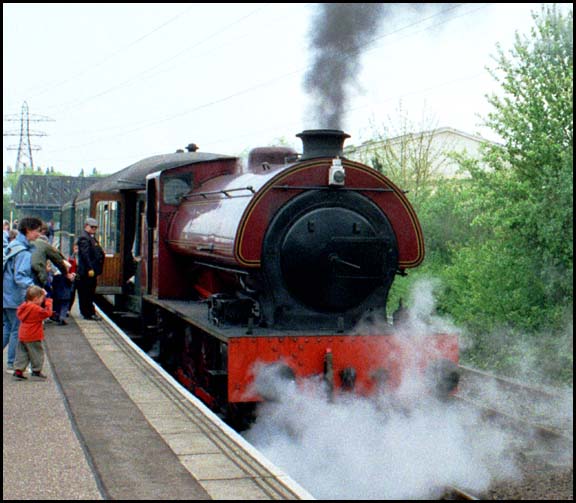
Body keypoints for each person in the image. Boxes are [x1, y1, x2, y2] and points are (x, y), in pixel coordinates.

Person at [3, 217, 43, 371]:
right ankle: (12, 363)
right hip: (15, 296)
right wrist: (35, 288)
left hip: (6, 294)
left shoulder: (13, 245)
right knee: (16, 330)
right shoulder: (23, 252)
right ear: (28, 230)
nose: (38, 235)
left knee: (7, 327)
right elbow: (20, 276)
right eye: (37, 231)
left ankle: (12, 362)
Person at [13, 285, 53, 381]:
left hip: (23, 333)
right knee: (37, 353)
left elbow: (19, 311)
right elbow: (47, 313)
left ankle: (18, 370)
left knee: (22, 353)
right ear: (36, 299)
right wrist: (48, 302)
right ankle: (36, 370)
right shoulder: (36, 309)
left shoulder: (23, 306)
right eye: (41, 299)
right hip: (33, 335)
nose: (42, 301)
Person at [76, 217, 105, 321]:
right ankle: (88, 313)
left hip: (90, 271)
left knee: (89, 292)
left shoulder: (89, 237)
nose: (94, 229)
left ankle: (88, 312)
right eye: (92, 227)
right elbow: (85, 255)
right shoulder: (84, 238)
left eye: (95, 227)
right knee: (87, 292)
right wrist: (90, 268)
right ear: (86, 226)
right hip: (87, 272)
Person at [31, 222, 70, 292]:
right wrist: (66, 273)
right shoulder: (43, 244)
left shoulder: (25, 242)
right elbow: (58, 259)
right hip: (38, 278)